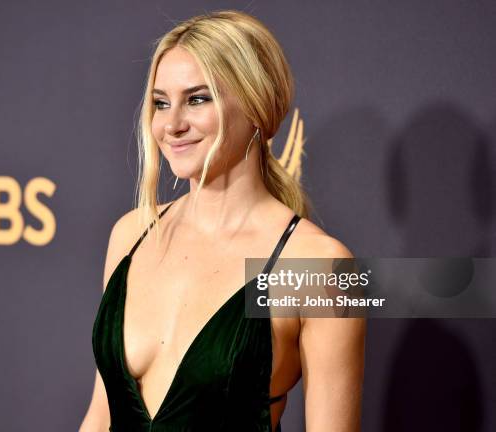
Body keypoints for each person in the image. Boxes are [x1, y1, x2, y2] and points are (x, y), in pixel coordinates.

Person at [80, 9, 365, 431]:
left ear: (255, 104)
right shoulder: (133, 234)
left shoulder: (315, 267)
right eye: (161, 103)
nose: (172, 124)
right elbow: (100, 416)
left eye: (197, 99)